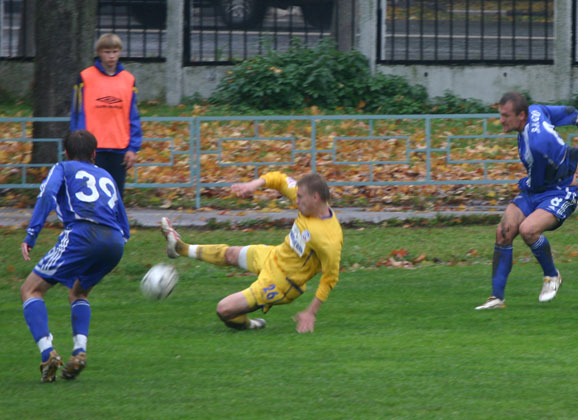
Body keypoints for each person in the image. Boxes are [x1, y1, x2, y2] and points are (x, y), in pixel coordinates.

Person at [160, 171, 343, 333]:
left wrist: (311, 312)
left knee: (224, 309)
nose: (296, 200)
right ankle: (179, 248)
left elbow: (330, 278)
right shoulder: (307, 200)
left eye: (300, 197)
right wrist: (253, 185)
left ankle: (251, 325)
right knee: (230, 254)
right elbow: (279, 179)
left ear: (315, 197)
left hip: (282, 283)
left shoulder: (329, 238)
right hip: (274, 256)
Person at [475, 92, 578, 310]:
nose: (501, 120)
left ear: (521, 115)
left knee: (528, 230)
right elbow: (571, 113)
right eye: (500, 114)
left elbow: (534, 183)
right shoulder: (536, 110)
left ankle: (552, 275)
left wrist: (521, 183)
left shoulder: (536, 144)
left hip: (560, 192)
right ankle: (496, 299)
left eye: (505, 115)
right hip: (540, 187)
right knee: (504, 231)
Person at [21, 130, 130, 382]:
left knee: (31, 290)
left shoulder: (63, 167)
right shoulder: (106, 175)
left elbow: (47, 194)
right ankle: (79, 352)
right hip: (114, 242)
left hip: (82, 234)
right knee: (78, 292)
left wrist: (31, 234)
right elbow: (123, 221)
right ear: (94, 154)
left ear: (66, 153)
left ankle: (48, 353)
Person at [70, 33, 143, 198]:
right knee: (91, 196)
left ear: (120, 52)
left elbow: (133, 116)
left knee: (115, 196)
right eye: (107, 52)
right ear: (99, 53)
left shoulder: (128, 80)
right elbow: (76, 114)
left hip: (119, 148)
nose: (111, 56)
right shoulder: (85, 77)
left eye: (115, 52)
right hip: (92, 148)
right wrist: (78, 146)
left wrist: (133, 148)